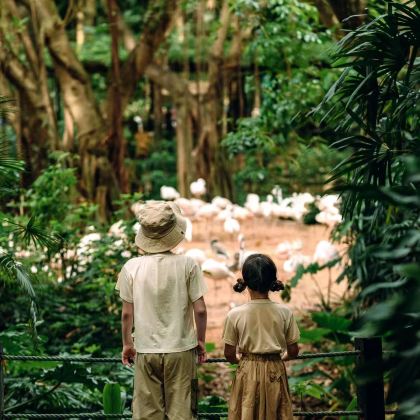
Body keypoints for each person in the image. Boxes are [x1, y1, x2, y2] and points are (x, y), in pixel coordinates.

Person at [116, 200, 208, 420]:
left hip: (145, 350)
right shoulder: (188, 265)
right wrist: (201, 341)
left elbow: (127, 314)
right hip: (181, 349)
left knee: (147, 413)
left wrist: (128, 343)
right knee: (183, 412)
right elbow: (201, 310)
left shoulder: (131, 267)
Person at [222, 253, 300, 420]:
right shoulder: (285, 312)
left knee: (247, 410)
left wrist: (243, 361)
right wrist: (282, 358)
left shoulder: (234, 315)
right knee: (277, 412)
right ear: (272, 280)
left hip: (247, 370)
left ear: (245, 282)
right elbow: (293, 350)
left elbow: (229, 354)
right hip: (275, 370)